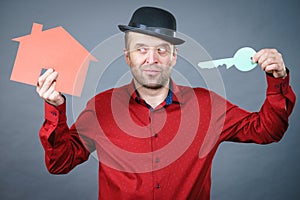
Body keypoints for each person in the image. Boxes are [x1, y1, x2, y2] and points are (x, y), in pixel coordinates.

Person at [36, 6, 296, 200]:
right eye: (141, 49)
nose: (152, 58)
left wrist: (277, 79)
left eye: (161, 49)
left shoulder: (208, 106)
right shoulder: (101, 107)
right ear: (128, 57)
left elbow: (268, 130)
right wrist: (55, 106)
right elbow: (60, 163)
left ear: (173, 57)